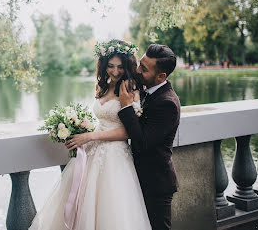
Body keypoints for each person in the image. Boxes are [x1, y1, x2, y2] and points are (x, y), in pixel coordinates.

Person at [29, 39, 151, 230]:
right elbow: (101, 121)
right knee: (82, 204)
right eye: (110, 66)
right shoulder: (102, 86)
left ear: (127, 66)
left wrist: (89, 137)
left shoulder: (130, 88)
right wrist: (79, 129)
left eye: (120, 67)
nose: (116, 71)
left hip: (114, 157)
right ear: (103, 65)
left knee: (111, 209)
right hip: (92, 152)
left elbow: (129, 131)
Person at [118, 44, 180, 230]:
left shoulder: (167, 103)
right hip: (138, 177)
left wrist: (126, 107)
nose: (137, 70)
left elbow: (143, 142)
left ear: (161, 76)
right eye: (139, 64)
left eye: (143, 69)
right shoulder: (146, 90)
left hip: (156, 184)